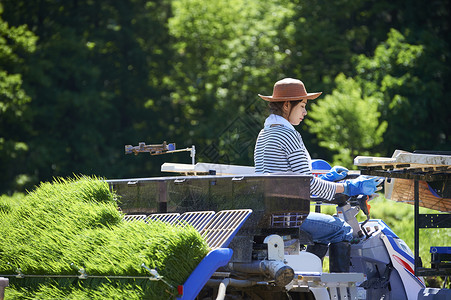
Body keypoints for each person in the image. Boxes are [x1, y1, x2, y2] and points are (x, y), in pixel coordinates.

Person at [254, 78, 378, 272]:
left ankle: (312, 275)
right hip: (287, 217)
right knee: (342, 229)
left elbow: (291, 181)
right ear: (287, 105)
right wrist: (349, 187)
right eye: (302, 106)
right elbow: (309, 185)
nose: (305, 112)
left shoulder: (264, 134)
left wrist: (326, 180)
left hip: (267, 215)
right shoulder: (289, 135)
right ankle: (340, 290)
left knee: (326, 229)